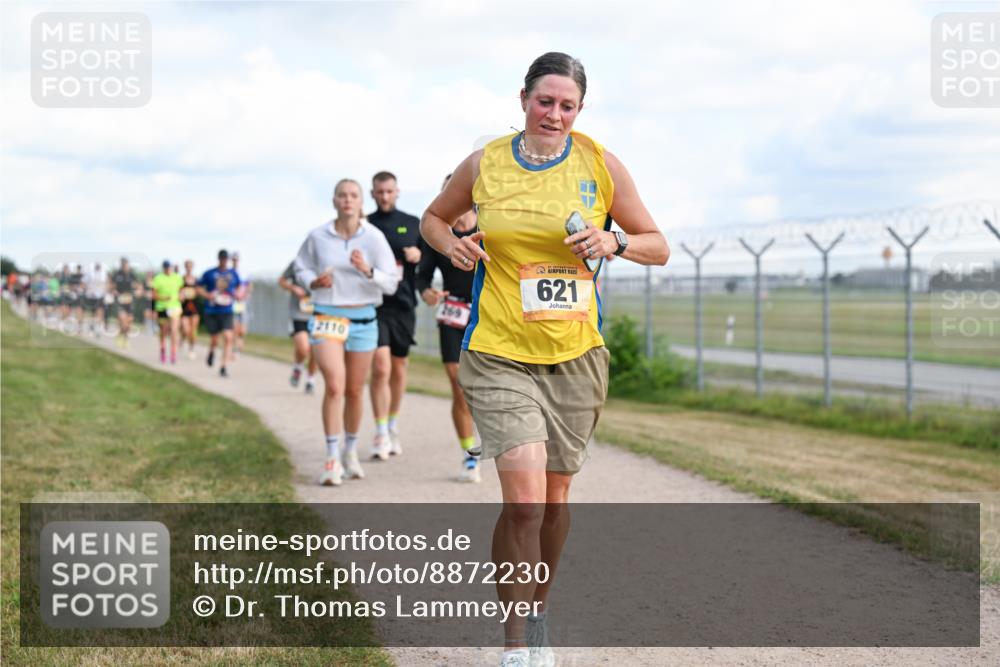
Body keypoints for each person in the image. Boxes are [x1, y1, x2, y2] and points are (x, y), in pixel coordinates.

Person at [420, 52, 669, 667]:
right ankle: (515, 645)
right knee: (525, 502)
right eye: (544, 101)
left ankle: (536, 611)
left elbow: (658, 246)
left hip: (575, 355)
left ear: (579, 110)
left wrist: (614, 240)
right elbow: (433, 218)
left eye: (567, 105)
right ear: (523, 99)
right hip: (499, 350)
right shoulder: (486, 163)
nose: (554, 114)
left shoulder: (600, 164)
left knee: (555, 503)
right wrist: (452, 244)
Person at [294, 179, 397, 486]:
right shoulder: (317, 236)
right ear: (334, 201)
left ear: (361, 202)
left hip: (364, 317)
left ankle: (350, 451)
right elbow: (300, 268)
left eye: (353, 195)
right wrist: (313, 281)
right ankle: (330, 457)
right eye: (342, 195)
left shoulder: (375, 238)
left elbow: (391, 282)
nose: (348, 200)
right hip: (328, 315)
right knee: (335, 386)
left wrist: (367, 270)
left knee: (354, 390)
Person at [416, 174, 481, 482]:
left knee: (489, 389)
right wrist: (427, 292)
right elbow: (422, 277)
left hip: (488, 316)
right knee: (459, 386)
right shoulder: (437, 233)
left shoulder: (491, 226)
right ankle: (469, 455)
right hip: (452, 314)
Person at [366, 171, 422, 459]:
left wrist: (418, 255)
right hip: (375, 304)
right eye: (380, 192)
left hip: (403, 304)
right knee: (381, 367)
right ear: (372, 193)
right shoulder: (366, 226)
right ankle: (379, 431)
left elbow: (427, 264)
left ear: (397, 191)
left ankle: (392, 423)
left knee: (398, 368)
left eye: (389, 191)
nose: (385, 196)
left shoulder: (413, 224)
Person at [198, 249, 241, 378]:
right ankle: (211, 352)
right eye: (222, 258)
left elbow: (240, 286)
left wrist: (237, 294)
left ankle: (223, 366)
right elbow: (198, 287)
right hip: (212, 310)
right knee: (215, 340)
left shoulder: (233, 274)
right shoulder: (209, 273)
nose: (224, 261)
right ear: (218, 259)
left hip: (227, 310)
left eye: (225, 259)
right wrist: (207, 295)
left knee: (228, 337)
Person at [278, 259, 319, 394]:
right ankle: (298, 366)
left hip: (319, 313)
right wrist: (293, 288)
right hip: (299, 313)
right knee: (303, 348)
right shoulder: (297, 263)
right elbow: (282, 281)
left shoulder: (327, 260)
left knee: (316, 350)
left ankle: (310, 380)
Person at [152, 260, 184, 364]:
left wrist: (181, 295)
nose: (168, 269)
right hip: (162, 308)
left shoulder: (177, 277)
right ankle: (163, 349)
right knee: (163, 331)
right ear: (163, 268)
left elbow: (181, 290)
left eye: (169, 267)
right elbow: (154, 295)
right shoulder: (158, 278)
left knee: (174, 330)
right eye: (166, 267)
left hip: (175, 307)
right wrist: (163, 297)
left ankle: (173, 352)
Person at [110, 258, 138, 348]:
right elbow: (111, 285)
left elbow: (138, 286)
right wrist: (114, 291)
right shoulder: (117, 274)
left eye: (126, 265)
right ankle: (123, 339)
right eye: (123, 265)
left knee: (129, 323)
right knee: (123, 320)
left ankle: (123, 336)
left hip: (130, 301)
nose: (125, 266)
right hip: (120, 301)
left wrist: (138, 291)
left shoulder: (132, 275)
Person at [231, 252, 252, 356]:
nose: (235, 261)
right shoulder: (229, 273)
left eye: (236, 259)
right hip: (233, 303)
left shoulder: (244, 272)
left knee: (242, 329)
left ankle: (240, 341)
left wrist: (245, 295)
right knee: (234, 326)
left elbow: (249, 286)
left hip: (243, 303)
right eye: (233, 259)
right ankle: (236, 347)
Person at [179, 260, 200, 359]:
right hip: (184, 308)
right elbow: (178, 291)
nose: (189, 268)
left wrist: (197, 292)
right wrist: (181, 295)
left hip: (194, 308)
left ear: (192, 267)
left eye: (190, 266)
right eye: (187, 266)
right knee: (186, 330)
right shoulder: (181, 279)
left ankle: (191, 349)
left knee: (193, 331)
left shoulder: (196, 279)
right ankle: (182, 339)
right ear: (185, 267)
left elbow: (199, 291)